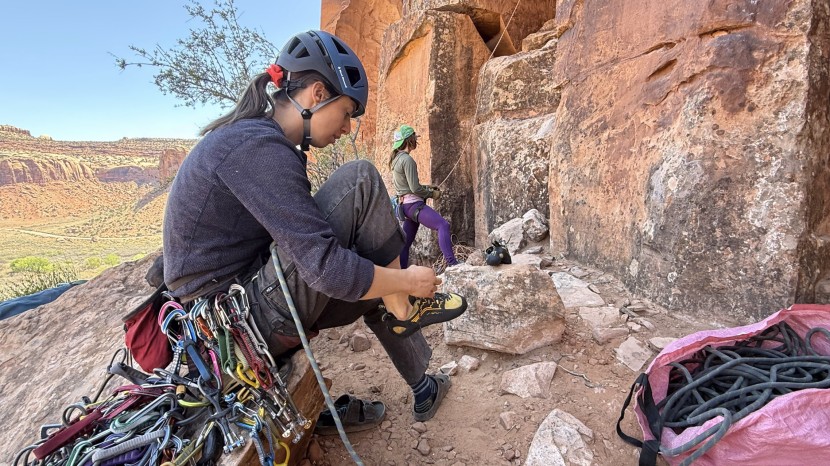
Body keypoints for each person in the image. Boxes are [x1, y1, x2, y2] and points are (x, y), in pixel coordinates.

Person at [162, 30, 467, 425]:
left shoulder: (259, 140)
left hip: (242, 310)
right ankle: (402, 306)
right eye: (347, 113)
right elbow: (325, 269)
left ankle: (421, 383)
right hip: (234, 328)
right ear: (318, 93)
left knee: (375, 265)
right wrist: (406, 281)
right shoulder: (257, 148)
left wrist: (391, 278)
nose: (347, 128)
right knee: (361, 181)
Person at [389, 125, 460, 269]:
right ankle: (452, 264)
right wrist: (432, 194)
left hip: (405, 207)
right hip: (414, 205)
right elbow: (414, 188)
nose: (416, 140)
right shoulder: (407, 160)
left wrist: (427, 187)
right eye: (414, 138)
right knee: (442, 225)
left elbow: (407, 187)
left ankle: (402, 274)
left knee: (405, 243)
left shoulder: (396, 159)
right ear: (409, 141)